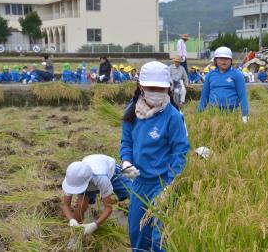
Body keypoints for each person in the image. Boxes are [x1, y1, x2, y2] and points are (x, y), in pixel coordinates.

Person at [120, 61, 190, 252]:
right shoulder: (132, 111)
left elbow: (181, 152)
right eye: (151, 87)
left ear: (168, 88)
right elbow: (126, 143)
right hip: (139, 183)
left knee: (160, 238)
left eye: (160, 88)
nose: (155, 92)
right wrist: (126, 161)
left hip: (163, 184)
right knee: (137, 233)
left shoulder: (172, 116)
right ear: (140, 86)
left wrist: (171, 184)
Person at [62, 154, 132, 235]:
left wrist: (95, 224)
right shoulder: (72, 178)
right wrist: (71, 220)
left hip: (112, 173)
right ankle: (76, 233)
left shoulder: (101, 178)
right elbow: (66, 205)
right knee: (81, 204)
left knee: (134, 195)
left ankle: (140, 226)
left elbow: (108, 207)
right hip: (87, 175)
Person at [198, 46, 249, 123]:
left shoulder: (237, 75)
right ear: (215, 60)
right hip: (213, 113)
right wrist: (199, 114)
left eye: (227, 59)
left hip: (232, 113)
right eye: (221, 58)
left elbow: (243, 96)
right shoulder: (210, 75)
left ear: (231, 60)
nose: (224, 61)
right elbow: (204, 96)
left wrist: (245, 115)